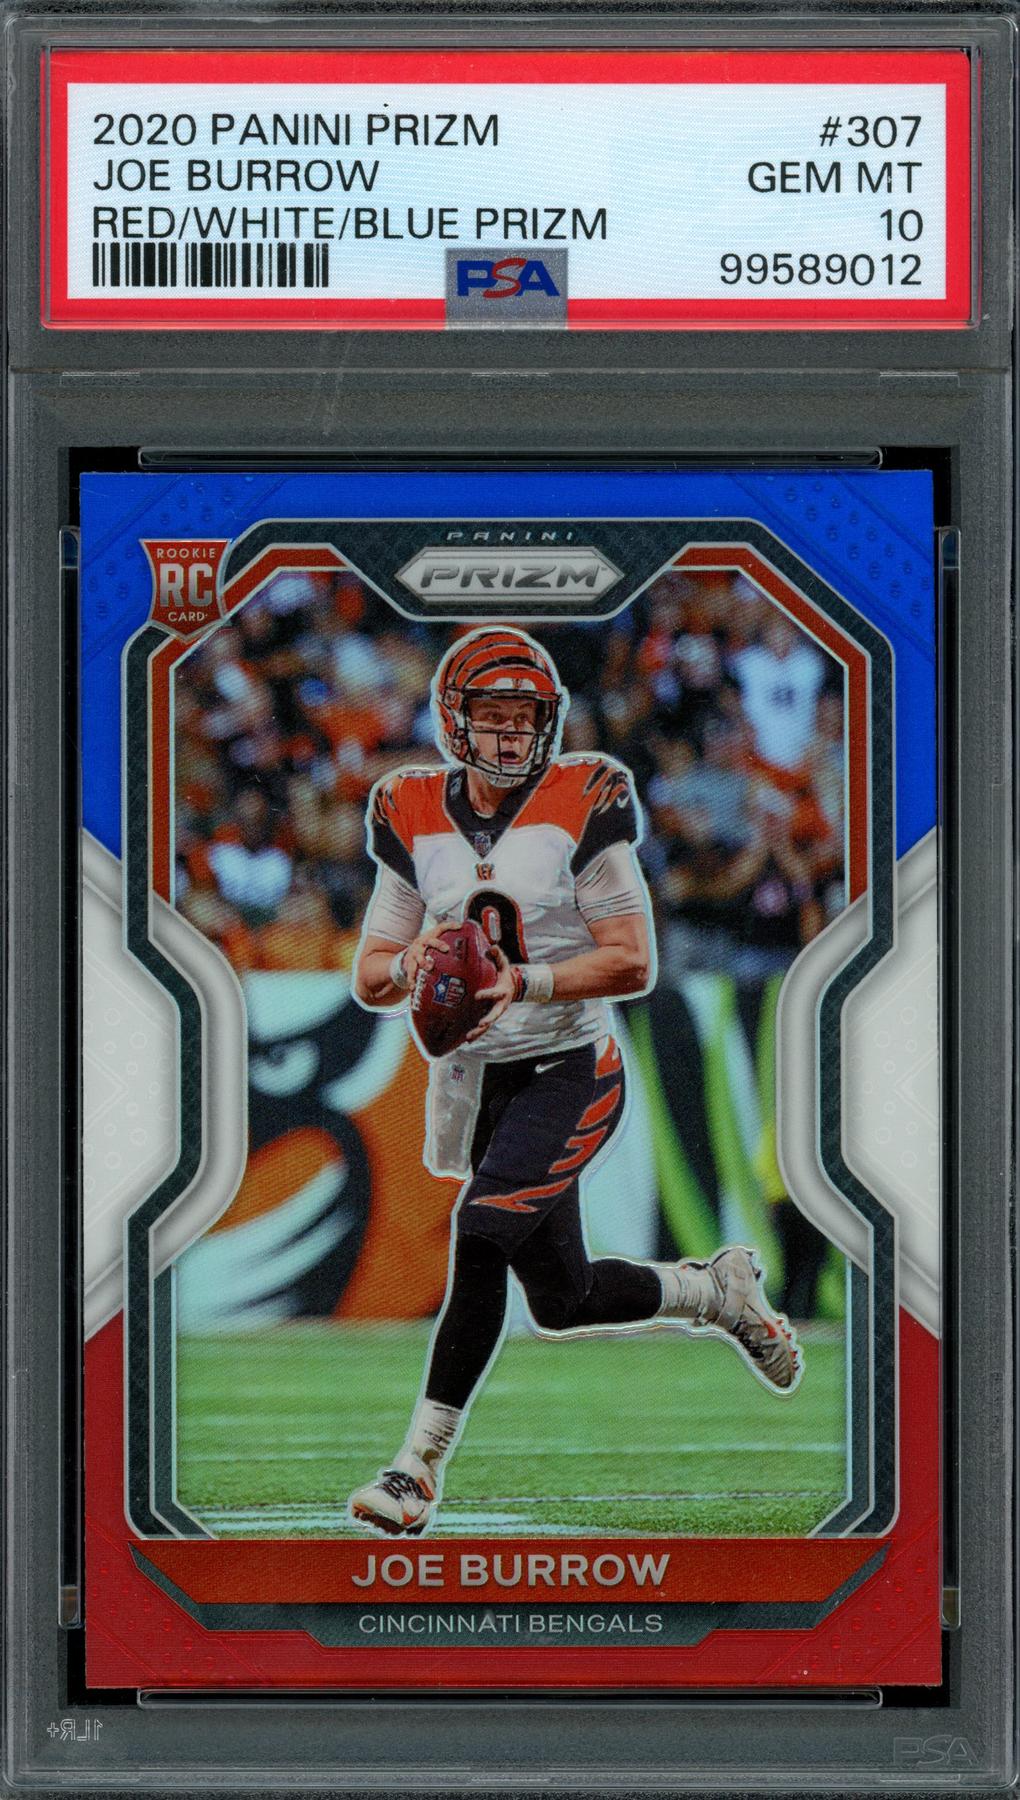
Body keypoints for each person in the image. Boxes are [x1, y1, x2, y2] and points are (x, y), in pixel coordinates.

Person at [348, 627, 800, 1536]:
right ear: (454, 721)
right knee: (562, 1299)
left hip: (571, 1066)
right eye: (493, 716)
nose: (512, 734)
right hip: (483, 1080)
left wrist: (524, 981)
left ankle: (416, 1468)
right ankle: (714, 1292)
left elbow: (633, 960)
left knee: (480, 1233)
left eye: (526, 718)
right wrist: (413, 963)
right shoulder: (410, 806)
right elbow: (370, 974)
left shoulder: (582, 796)